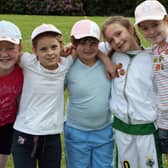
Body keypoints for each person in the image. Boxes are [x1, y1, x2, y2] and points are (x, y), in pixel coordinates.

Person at [101, 16, 162, 168]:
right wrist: (106, 60)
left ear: (130, 29)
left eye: (119, 34)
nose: (116, 41)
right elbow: (87, 46)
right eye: (110, 40)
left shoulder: (153, 57)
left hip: (147, 130)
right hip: (122, 131)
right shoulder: (113, 55)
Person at [12, 23, 74, 168]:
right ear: (35, 51)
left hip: (51, 136)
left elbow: (86, 47)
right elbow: (9, 53)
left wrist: (71, 45)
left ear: (61, 46)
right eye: (43, 49)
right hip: (24, 133)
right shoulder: (28, 62)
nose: (50, 53)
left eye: (54, 47)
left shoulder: (66, 64)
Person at [64, 19, 114, 168]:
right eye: (82, 43)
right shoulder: (68, 63)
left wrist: (105, 59)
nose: (88, 48)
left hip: (104, 130)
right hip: (76, 131)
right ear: (74, 43)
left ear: (98, 43)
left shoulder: (108, 53)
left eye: (92, 43)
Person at [134, 0, 168, 162]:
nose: (151, 31)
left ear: (166, 20)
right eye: (145, 28)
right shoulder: (153, 50)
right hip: (162, 121)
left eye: (155, 24)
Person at [0, 20, 23, 168]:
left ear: (19, 48)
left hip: (7, 126)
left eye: (10, 48)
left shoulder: (23, 71)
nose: (3, 54)